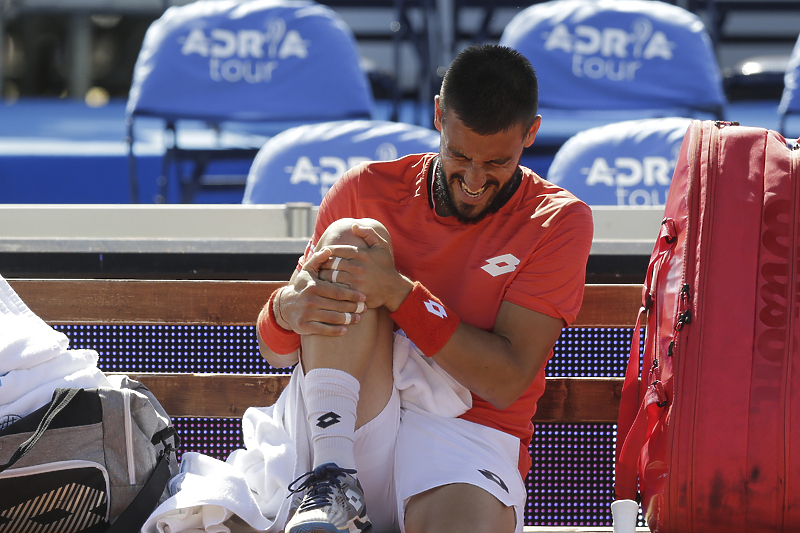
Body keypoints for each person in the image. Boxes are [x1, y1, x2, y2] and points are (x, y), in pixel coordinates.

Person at [256, 44, 593, 533]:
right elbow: (276, 351)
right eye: (459, 155)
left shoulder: (559, 220)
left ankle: (330, 486)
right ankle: (331, 478)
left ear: (531, 134)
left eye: (496, 163)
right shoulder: (362, 189)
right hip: (346, 425)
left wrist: (399, 294)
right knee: (351, 237)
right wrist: (286, 309)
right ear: (438, 115)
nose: (474, 181)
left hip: (469, 435)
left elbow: (505, 380)